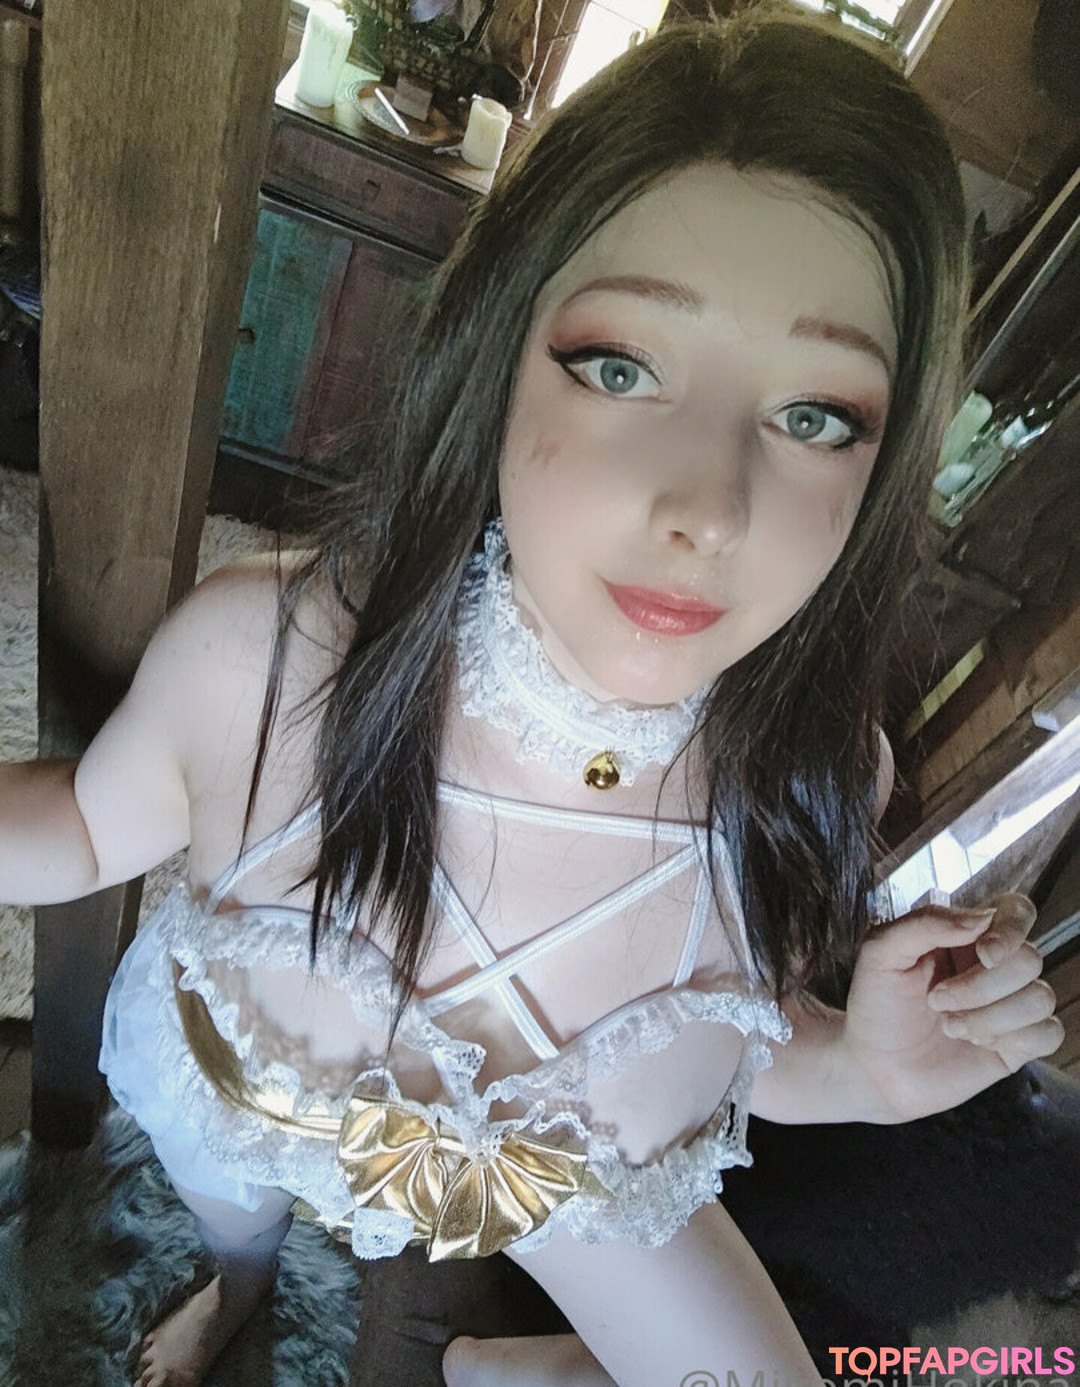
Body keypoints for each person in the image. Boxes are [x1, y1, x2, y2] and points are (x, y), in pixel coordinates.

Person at [0, 5, 1065, 1385]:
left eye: (816, 417)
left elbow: (724, 1042)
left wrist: (861, 1073)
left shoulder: (809, 774)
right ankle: (237, 1289)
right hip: (246, 1113)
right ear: (497, 354)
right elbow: (90, 828)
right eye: (621, 368)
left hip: (563, 1190)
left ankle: (488, 1364)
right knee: (235, 1220)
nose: (707, 510)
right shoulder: (271, 661)